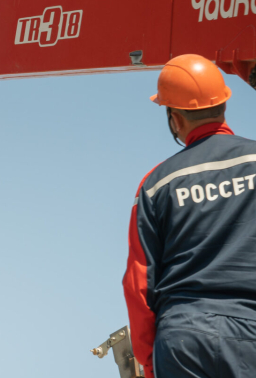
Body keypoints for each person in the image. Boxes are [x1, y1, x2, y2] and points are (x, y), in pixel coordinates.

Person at [123, 54, 256, 378]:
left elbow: (139, 284)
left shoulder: (156, 184)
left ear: (175, 118)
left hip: (183, 341)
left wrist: (150, 362)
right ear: (224, 105)